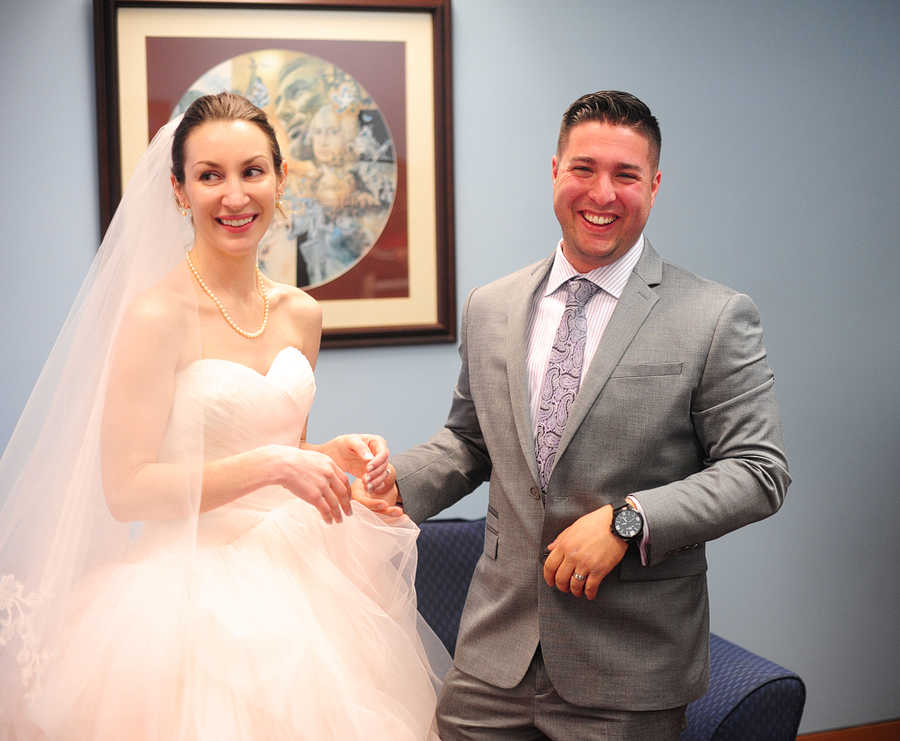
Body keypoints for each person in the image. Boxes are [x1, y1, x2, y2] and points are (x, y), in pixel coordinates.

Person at [0, 92, 448, 740]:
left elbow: (279, 441)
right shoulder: (156, 317)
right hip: (188, 598)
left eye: (251, 171)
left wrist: (327, 454)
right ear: (180, 191)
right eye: (209, 176)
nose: (234, 196)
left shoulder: (301, 312)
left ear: (279, 178)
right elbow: (127, 489)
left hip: (308, 586)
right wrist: (276, 464)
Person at [355, 91, 791, 740]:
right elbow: (471, 442)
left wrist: (628, 519)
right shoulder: (491, 306)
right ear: (555, 170)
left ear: (655, 185)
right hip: (490, 661)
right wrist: (394, 482)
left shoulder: (715, 316)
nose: (603, 192)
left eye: (626, 175)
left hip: (630, 670)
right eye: (585, 168)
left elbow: (759, 472)